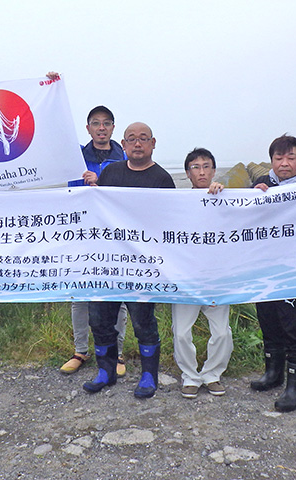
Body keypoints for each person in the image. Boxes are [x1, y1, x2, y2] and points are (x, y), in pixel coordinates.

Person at [83, 122, 175, 398]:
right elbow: (98, 209)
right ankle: (106, 371)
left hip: (143, 266)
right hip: (107, 262)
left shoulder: (162, 179)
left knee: (143, 322)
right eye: (131, 139)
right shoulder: (111, 172)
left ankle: (149, 374)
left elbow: (170, 222)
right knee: (99, 319)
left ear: (153, 143)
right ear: (123, 145)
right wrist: (92, 189)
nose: (137, 144)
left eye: (143, 139)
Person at [60, 104, 128, 376]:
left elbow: (130, 194)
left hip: (115, 233)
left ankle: (118, 353)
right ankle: (80, 350)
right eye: (96, 123)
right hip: (82, 232)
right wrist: (50, 86)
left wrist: (103, 182)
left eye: (107, 123)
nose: (102, 128)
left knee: (119, 294)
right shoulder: (74, 155)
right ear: (87, 128)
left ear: (113, 128)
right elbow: (46, 139)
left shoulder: (125, 157)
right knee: (79, 295)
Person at [250, 135, 296, 412]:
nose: (284, 164)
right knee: (268, 320)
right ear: (271, 160)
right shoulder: (262, 185)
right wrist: (253, 193)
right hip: (264, 267)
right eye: (278, 158)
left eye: (291, 158)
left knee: (293, 326)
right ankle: (273, 373)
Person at [171, 148, 233, 399]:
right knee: (181, 331)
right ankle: (190, 376)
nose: (202, 171)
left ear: (214, 170)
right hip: (186, 278)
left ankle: (212, 374)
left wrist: (224, 194)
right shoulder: (177, 203)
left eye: (207, 166)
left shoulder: (224, 197)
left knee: (221, 331)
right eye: (196, 167)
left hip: (217, 277)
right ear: (187, 173)